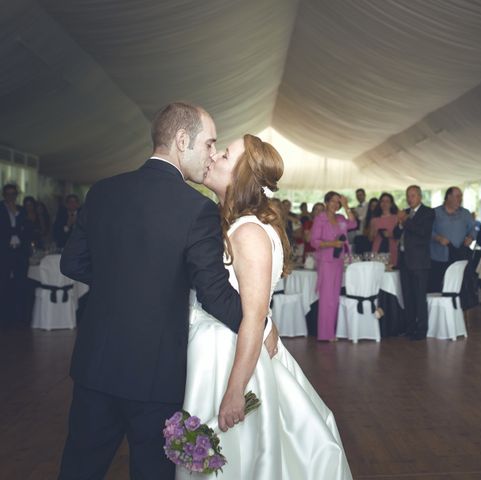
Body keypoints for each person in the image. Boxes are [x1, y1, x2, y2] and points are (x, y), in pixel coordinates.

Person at [57, 102, 253, 479]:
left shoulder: (103, 191)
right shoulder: (197, 209)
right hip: (155, 375)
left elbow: (72, 263)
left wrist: (124, 282)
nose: (212, 155)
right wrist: (258, 323)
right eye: (209, 144)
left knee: (80, 468)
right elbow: (213, 293)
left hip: (95, 366)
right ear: (182, 140)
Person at [180, 134, 352, 479]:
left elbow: (254, 316)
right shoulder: (232, 224)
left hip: (231, 360)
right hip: (215, 350)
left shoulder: (248, 233)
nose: (213, 158)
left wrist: (234, 392)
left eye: (225, 156)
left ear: (242, 175)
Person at [310, 191, 357, 341]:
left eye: (338, 202)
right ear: (326, 202)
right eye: (333, 201)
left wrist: (346, 206)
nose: (336, 204)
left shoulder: (341, 218)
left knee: (334, 297)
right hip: (326, 261)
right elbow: (314, 241)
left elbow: (354, 223)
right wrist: (332, 243)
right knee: (326, 298)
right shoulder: (320, 219)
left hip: (339, 260)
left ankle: (332, 332)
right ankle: (325, 334)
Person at [394, 185, 434, 340]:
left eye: (412, 195)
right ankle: (409, 328)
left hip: (419, 262)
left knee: (419, 297)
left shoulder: (428, 212)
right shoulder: (405, 213)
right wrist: (399, 222)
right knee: (407, 296)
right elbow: (396, 233)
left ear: (420, 196)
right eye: (408, 196)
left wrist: (405, 220)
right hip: (404, 260)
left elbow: (423, 233)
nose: (409, 199)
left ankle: (421, 330)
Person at [430, 186, 475, 292]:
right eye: (457, 196)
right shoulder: (435, 212)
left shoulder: (465, 213)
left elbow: (473, 229)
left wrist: (471, 237)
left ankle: (458, 307)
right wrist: (437, 237)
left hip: (458, 256)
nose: (460, 199)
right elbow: (427, 231)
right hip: (438, 256)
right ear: (449, 197)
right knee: (437, 286)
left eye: (461, 196)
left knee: (458, 286)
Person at [0, 184, 32, 327]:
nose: (10, 196)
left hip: (19, 251)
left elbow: (27, 229)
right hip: (5, 251)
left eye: (13, 194)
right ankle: (4, 317)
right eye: (8, 194)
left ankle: (20, 317)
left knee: (21, 284)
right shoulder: (0, 208)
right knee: (3, 284)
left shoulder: (21, 210)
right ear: (3, 194)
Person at [369, 192, 399, 267]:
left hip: (392, 250)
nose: (384, 204)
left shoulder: (396, 218)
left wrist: (390, 234)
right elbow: (370, 238)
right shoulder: (374, 220)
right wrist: (374, 234)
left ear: (391, 204)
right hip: (377, 250)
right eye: (382, 201)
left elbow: (400, 236)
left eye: (387, 201)